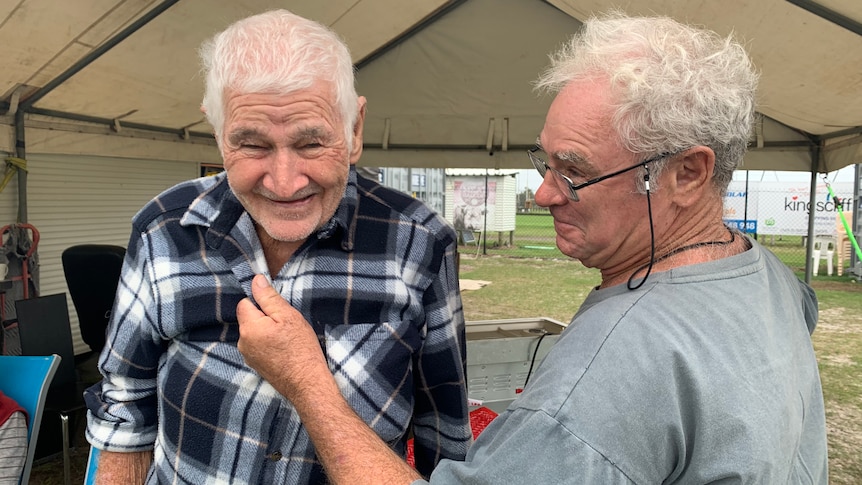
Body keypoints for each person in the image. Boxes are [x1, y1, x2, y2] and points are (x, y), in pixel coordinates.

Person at [235, 12, 829, 484]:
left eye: (574, 170)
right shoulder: (766, 276)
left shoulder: (604, 380)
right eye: (544, 159)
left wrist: (309, 383)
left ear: (688, 174)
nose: (544, 193)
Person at [84, 9, 471, 484]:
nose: (285, 182)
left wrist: (306, 379)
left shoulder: (420, 243)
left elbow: (445, 438)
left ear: (354, 129)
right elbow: (126, 408)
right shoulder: (164, 228)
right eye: (252, 145)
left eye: (311, 143)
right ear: (217, 131)